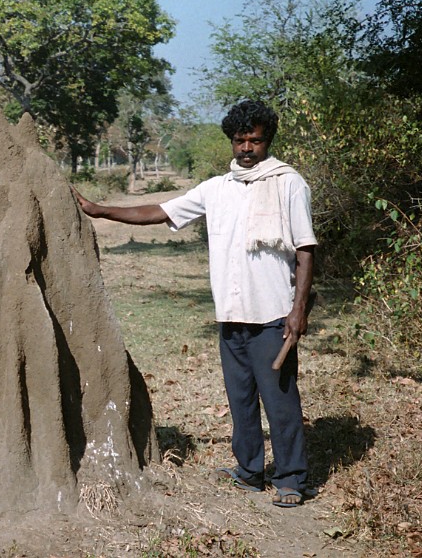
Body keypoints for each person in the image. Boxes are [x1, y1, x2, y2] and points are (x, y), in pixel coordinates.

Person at [73, 100, 316, 507]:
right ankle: (249, 470)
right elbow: (161, 211)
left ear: (267, 140)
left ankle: (292, 478)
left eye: (254, 140)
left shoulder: (288, 183)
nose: (246, 148)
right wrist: (100, 211)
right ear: (231, 141)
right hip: (231, 314)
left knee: (280, 401)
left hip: (273, 313)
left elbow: (306, 248)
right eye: (240, 140)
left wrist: (298, 309)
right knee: (240, 398)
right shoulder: (217, 189)